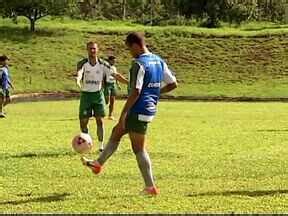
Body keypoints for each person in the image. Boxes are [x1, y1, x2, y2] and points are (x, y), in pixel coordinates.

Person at [81, 32, 177, 195]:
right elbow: (173, 84)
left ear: (135, 45)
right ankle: (98, 163)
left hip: (137, 109)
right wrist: (155, 94)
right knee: (117, 132)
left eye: (129, 49)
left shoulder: (139, 64)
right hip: (148, 108)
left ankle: (150, 186)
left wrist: (123, 114)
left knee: (139, 149)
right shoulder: (158, 61)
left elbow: (136, 91)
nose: (129, 52)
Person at [76, 42, 128, 152]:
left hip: (98, 95)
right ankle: (86, 144)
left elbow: (115, 75)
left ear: (97, 50)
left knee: (100, 121)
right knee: (83, 121)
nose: (92, 51)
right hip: (86, 95)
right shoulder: (83, 63)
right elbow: (80, 72)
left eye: (94, 49)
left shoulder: (103, 64)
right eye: (90, 49)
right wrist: (78, 79)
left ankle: (101, 146)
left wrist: (128, 82)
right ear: (87, 49)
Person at [104, 55, 128, 120]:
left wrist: (118, 85)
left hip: (113, 84)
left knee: (112, 100)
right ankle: (98, 112)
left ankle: (110, 115)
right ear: (109, 60)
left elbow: (116, 77)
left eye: (115, 61)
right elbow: (105, 76)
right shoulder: (106, 67)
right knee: (106, 100)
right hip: (107, 84)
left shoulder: (114, 68)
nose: (114, 62)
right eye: (113, 61)